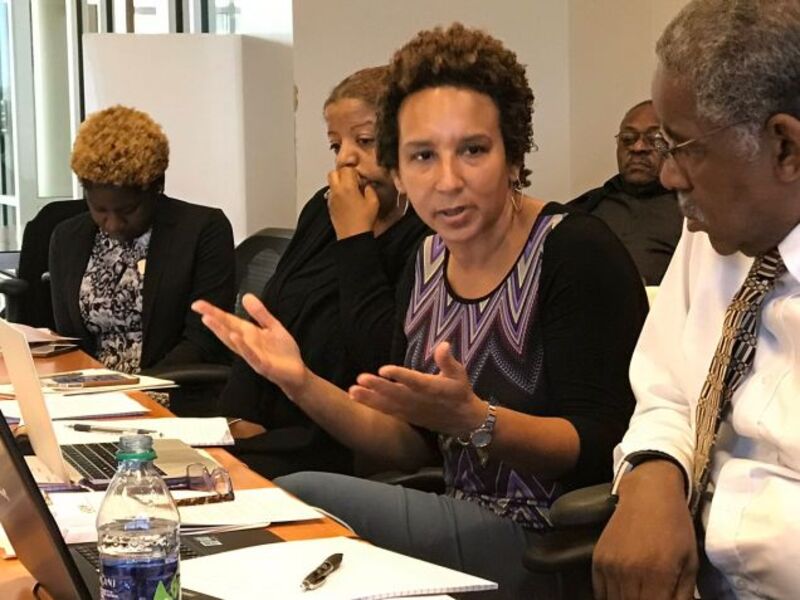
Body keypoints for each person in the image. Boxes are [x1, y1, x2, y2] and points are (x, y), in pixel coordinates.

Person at [194, 23, 647, 597]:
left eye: (473, 150)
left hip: (548, 541)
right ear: (401, 170)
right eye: (423, 156)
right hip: (459, 513)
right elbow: (410, 445)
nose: (447, 181)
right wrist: (299, 381)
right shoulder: (428, 258)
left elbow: (601, 444)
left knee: (297, 496)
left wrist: (476, 419)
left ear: (513, 154)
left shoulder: (574, 249)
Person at [592, 1, 800, 599]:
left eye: (684, 146)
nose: (668, 176)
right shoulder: (713, 232)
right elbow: (668, 389)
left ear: (785, 148)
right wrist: (653, 471)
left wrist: (723, 526)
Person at [218, 66, 428, 477]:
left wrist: (354, 238)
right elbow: (269, 313)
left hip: (344, 442)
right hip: (272, 428)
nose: (345, 158)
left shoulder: (429, 234)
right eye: (336, 144)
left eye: (364, 141)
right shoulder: (323, 207)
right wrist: (236, 417)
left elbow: (380, 359)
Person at [49, 105, 235, 374]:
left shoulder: (203, 230)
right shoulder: (68, 238)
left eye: (128, 210)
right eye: (100, 210)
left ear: (157, 187)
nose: (113, 224)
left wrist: (135, 388)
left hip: (172, 386)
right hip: (89, 389)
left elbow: (204, 342)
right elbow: (70, 341)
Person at [569, 100, 682, 285]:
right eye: (628, 139)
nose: (638, 148)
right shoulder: (586, 208)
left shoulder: (694, 214)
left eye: (655, 139)